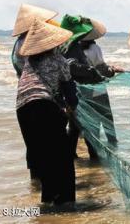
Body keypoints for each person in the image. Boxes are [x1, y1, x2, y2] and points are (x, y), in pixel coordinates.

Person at [16, 19, 77, 205]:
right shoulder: (59, 60)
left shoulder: (29, 62)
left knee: (42, 158)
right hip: (44, 106)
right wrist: (70, 112)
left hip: (22, 109)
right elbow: (71, 95)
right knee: (63, 160)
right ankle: (66, 206)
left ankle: (47, 204)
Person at [11, 4, 59, 180]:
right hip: (41, 97)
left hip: (22, 98)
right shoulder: (29, 43)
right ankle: (45, 185)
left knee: (33, 145)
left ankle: (36, 184)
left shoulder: (19, 42)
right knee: (47, 147)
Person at [60, 14, 105, 159]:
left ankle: (71, 155)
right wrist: (92, 72)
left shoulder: (68, 45)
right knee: (88, 126)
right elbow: (72, 66)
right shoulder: (70, 47)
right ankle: (94, 157)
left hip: (73, 93)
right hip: (77, 92)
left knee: (75, 127)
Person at [80, 18, 123, 144]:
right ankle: (112, 144)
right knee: (106, 118)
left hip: (83, 92)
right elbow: (101, 69)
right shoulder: (94, 48)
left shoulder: (76, 49)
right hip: (98, 90)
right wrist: (113, 70)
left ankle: (94, 151)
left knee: (91, 122)